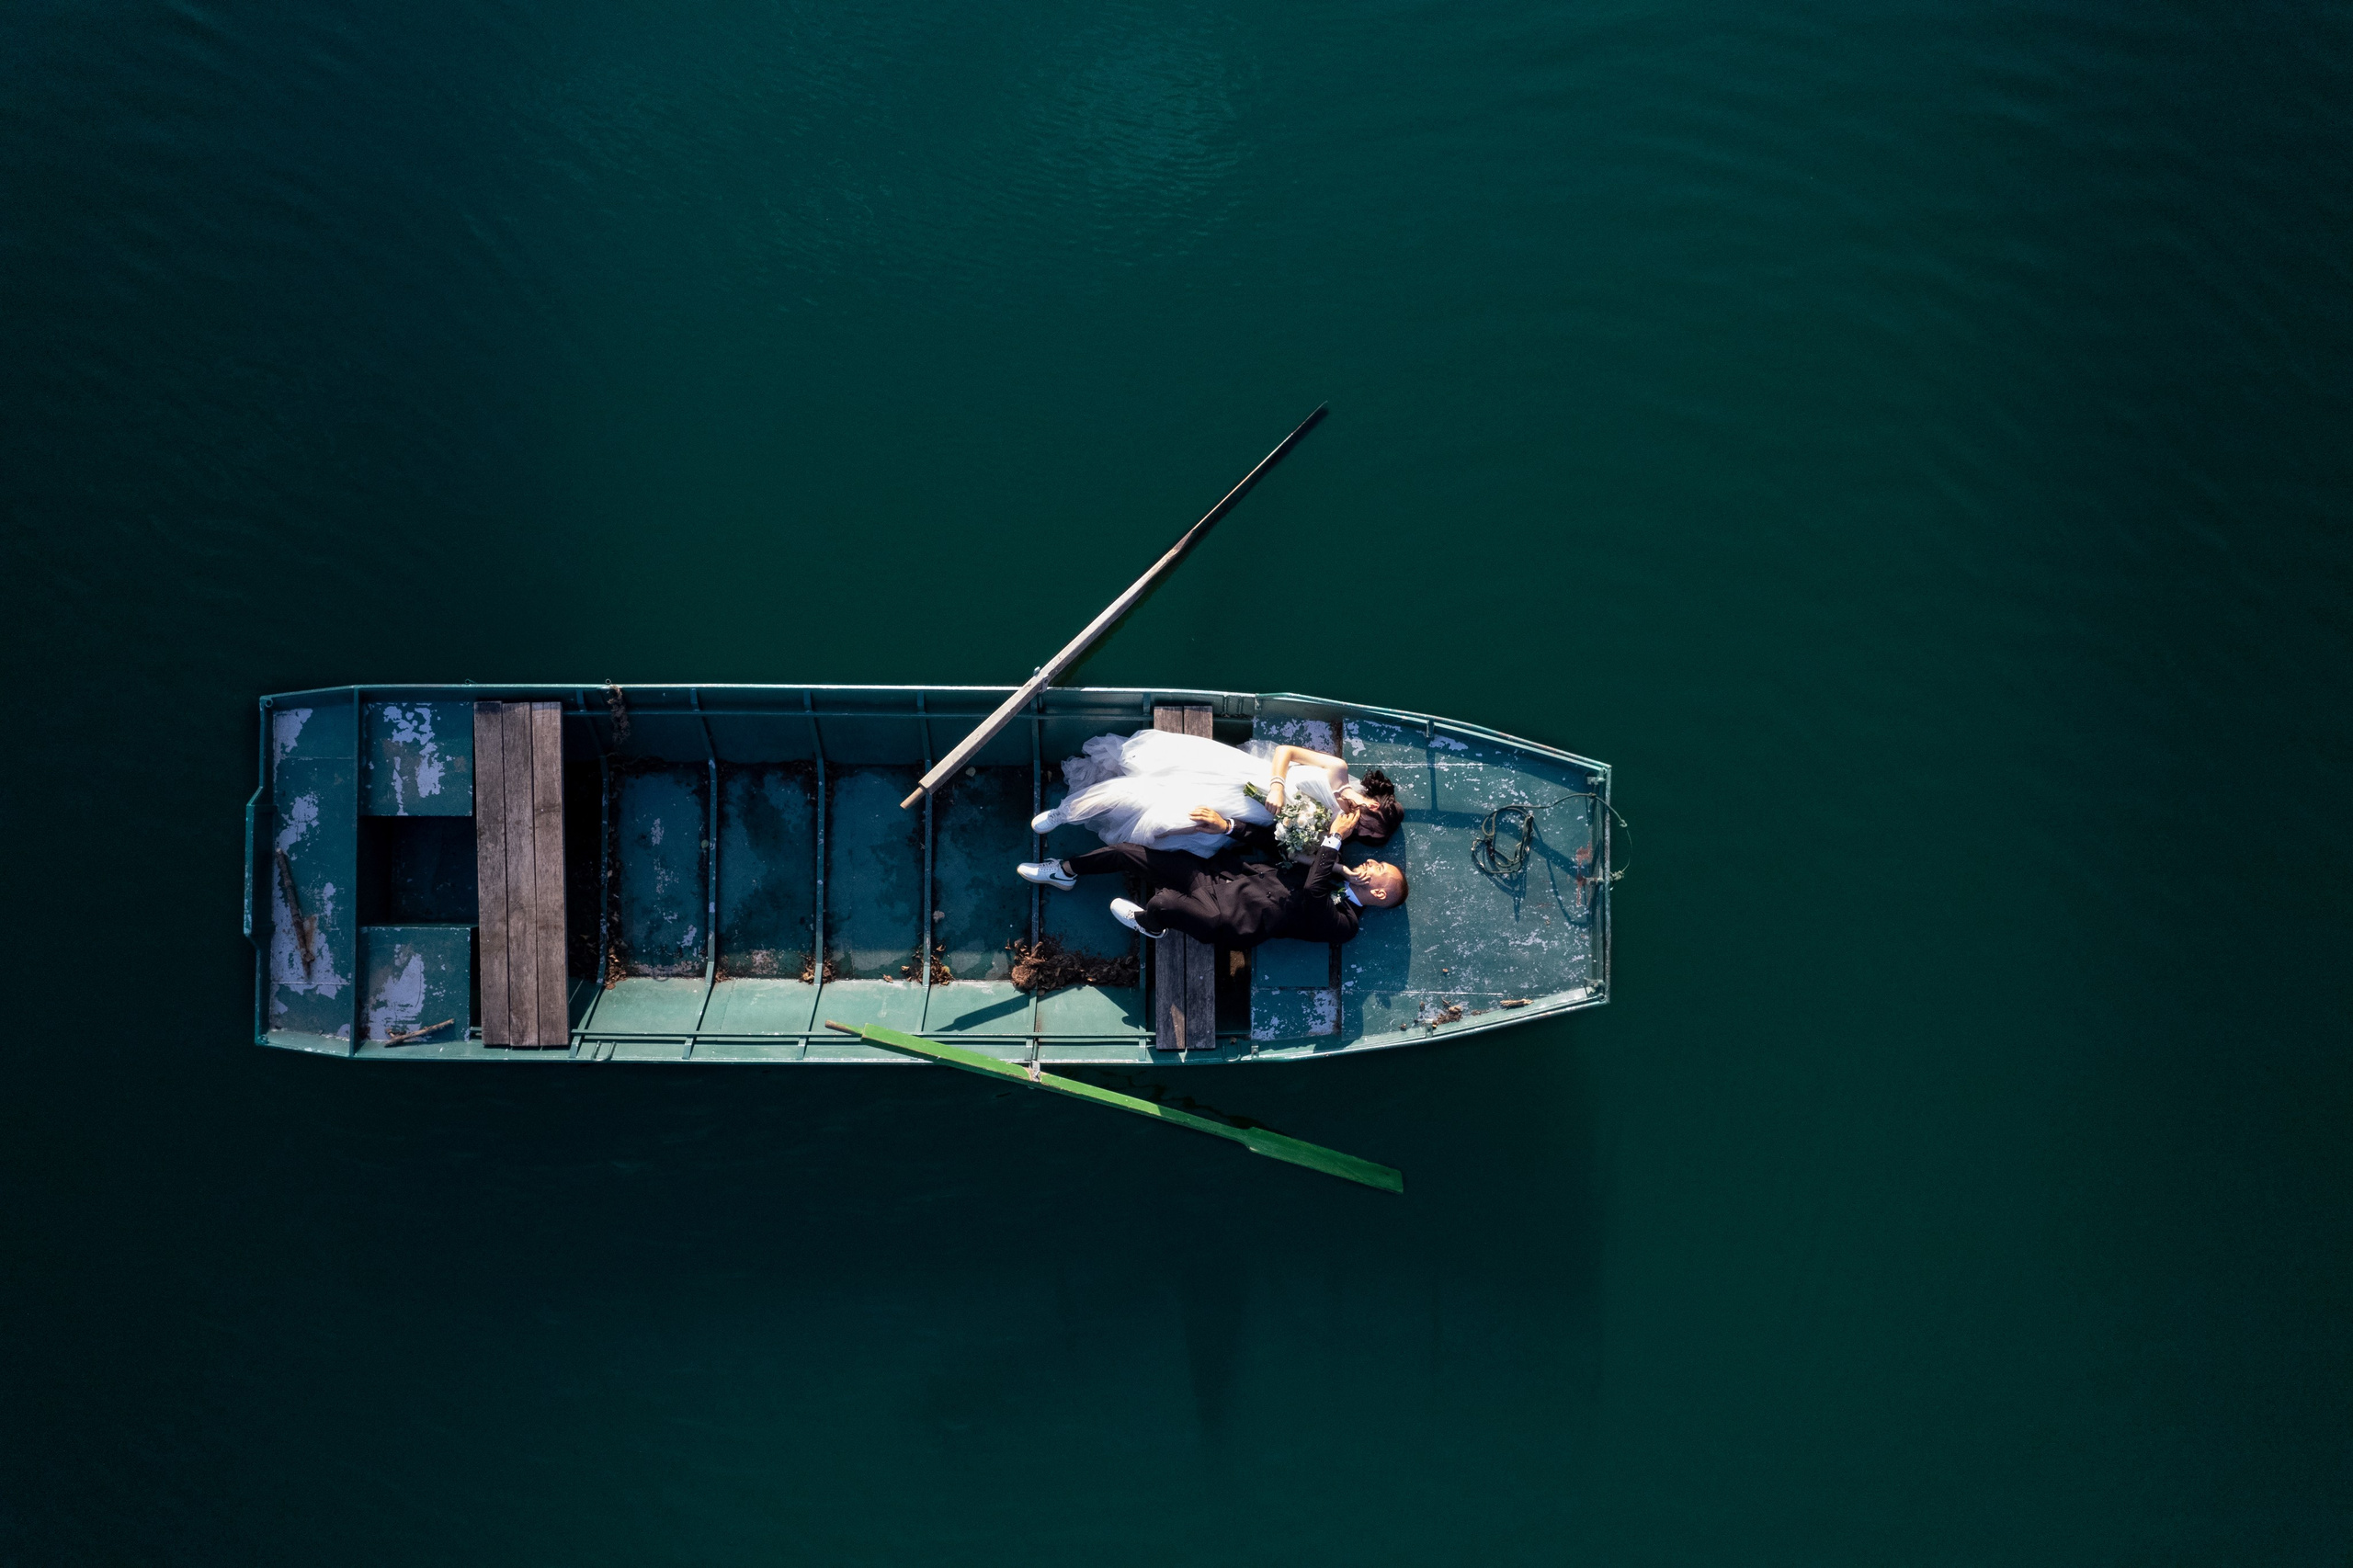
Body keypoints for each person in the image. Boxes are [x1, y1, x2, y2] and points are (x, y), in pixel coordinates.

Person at [1017, 808, 1406, 948]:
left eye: (1379, 870)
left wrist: (1335, 841)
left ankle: (1150, 927)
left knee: (1161, 904)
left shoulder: (1345, 926)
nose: (1371, 864)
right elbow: (1277, 845)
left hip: (1226, 919)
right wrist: (1229, 825)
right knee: (1126, 852)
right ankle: (1065, 871)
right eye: (1376, 862)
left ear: (1377, 891)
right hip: (1215, 877)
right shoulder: (1332, 864)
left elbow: (1313, 893)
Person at [1033, 731, 1404, 858]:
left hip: (1249, 813)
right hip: (1249, 778)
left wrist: (1304, 834)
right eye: (1372, 828)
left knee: (1165, 820)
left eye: (1369, 838)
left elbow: (1292, 848)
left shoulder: (1338, 828)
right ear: (1375, 806)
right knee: (1152, 779)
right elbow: (1285, 753)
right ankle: (1065, 813)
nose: (1365, 833)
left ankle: (1095, 823)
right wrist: (1277, 785)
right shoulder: (1337, 770)